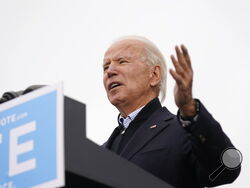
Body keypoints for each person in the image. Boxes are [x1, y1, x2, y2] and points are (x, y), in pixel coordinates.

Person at [102, 36, 241, 188]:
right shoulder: (99, 154)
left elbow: (226, 168)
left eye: (122, 61)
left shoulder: (183, 130)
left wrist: (189, 108)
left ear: (154, 75)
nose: (110, 71)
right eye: (105, 67)